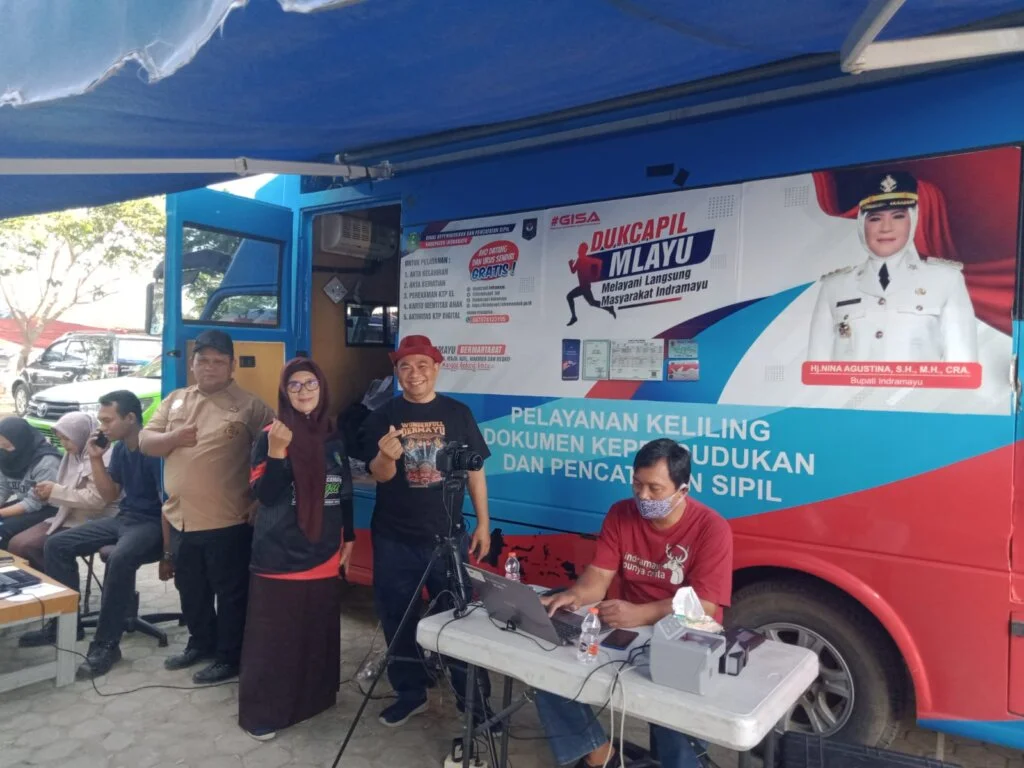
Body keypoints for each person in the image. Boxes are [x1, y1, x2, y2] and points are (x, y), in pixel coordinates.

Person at [538, 439, 733, 768]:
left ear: (682, 491)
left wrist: (641, 613)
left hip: (684, 634)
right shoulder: (621, 513)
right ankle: (600, 755)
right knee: (549, 671)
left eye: (655, 489)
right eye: (637, 484)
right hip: (627, 630)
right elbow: (599, 576)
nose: (643, 496)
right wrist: (576, 594)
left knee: (673, 720)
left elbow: (705, 606)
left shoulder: (712, 528)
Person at [360, 334, 493, 727]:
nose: (414, 373)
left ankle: (473, 704)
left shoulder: (458, 413)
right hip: (394, 538)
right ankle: (410, 692)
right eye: (405, 366)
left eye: (422, 365)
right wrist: (386, 456)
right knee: (397, 618)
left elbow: (476, 472)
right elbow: (379, 475)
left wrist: (484, 523)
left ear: (436, 368)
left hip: (448, 537)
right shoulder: (382, 415)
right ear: (397, 372)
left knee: (458, 619)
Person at [140, 329, 273, 684]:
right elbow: (146, 442)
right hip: (181, 518)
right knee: (191, 590)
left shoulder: (251, 406)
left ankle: (229, 657)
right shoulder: (175, 400)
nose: (210, 367)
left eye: (218, 361)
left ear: (232, 366)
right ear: (192, 363)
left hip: (227, 519)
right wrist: (173, 438)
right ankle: (201, 643)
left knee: (230, 594)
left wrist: (260, 499)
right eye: (203, 360)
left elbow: (276, 455)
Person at [239, 357, 355, 741]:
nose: (304, 391)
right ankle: (263, 713)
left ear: (322, 389)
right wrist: (276, 453)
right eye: (295, 385)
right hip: (280, 551)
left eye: (310, 384)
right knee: (276, 637)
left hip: (324, 548)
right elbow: (266, 495)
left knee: (316, 628)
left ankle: (313, 700)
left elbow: (343, 491)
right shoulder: (271, 435)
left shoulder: (332, 436)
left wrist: (349, 538)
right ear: (284, 392)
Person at [20, 391, 164, 679]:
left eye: (108, 420)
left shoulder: (154, 450)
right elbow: (110, 495)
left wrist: (170, 552)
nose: (102, 427)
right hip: (125, 518)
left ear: (130, 418)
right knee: (57, 544)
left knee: (120, 557)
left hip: (152, 524)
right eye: (100, 420)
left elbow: (169, 504)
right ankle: (66, 625)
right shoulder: (120, 450)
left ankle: (106, 644)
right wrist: (96, 459)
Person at [807, 171, 978, 363]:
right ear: (862, 224)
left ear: (913, 219)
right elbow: (816, 365)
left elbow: (962, 364)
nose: (886, 228)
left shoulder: (946, 280)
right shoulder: (834, 287)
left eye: (898, 216)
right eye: (875, 218)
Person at [8, 411, 118, 571]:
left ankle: (60, 585)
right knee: (16, 544)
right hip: (68, 514)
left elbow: (97, 500)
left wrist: (55, 492)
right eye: (60, 439)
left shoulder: (103, 457)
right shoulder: (73, 455)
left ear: (81, 434)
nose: (64, 444)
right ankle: (43, 583)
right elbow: (66, 489)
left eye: (67, 438)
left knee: (32, 546)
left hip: (97, 519)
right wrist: (47, 493)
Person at [0, 416, 61, 550]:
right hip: (26, 502)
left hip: (50, 508)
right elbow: (3, 488)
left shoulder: (46, 461)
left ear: (21, 441)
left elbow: (35, 503)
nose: (3, 450)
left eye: (7, 446)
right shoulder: (6, 457)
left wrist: (1, 513)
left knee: (3, 530)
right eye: (1, 446)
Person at [567, 242, 616, 326]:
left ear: (583, 251)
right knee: (592, 303)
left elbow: (599, 262)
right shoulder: (578, 260)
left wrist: (597, 274)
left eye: (580, 250)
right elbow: (573, 271)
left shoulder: (587, 259)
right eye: (578, 250)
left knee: (570, 296)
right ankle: (609, 308)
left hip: (585, 287)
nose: (578, 251)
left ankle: (574, 317)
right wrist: (570, 264)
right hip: (583, 287)